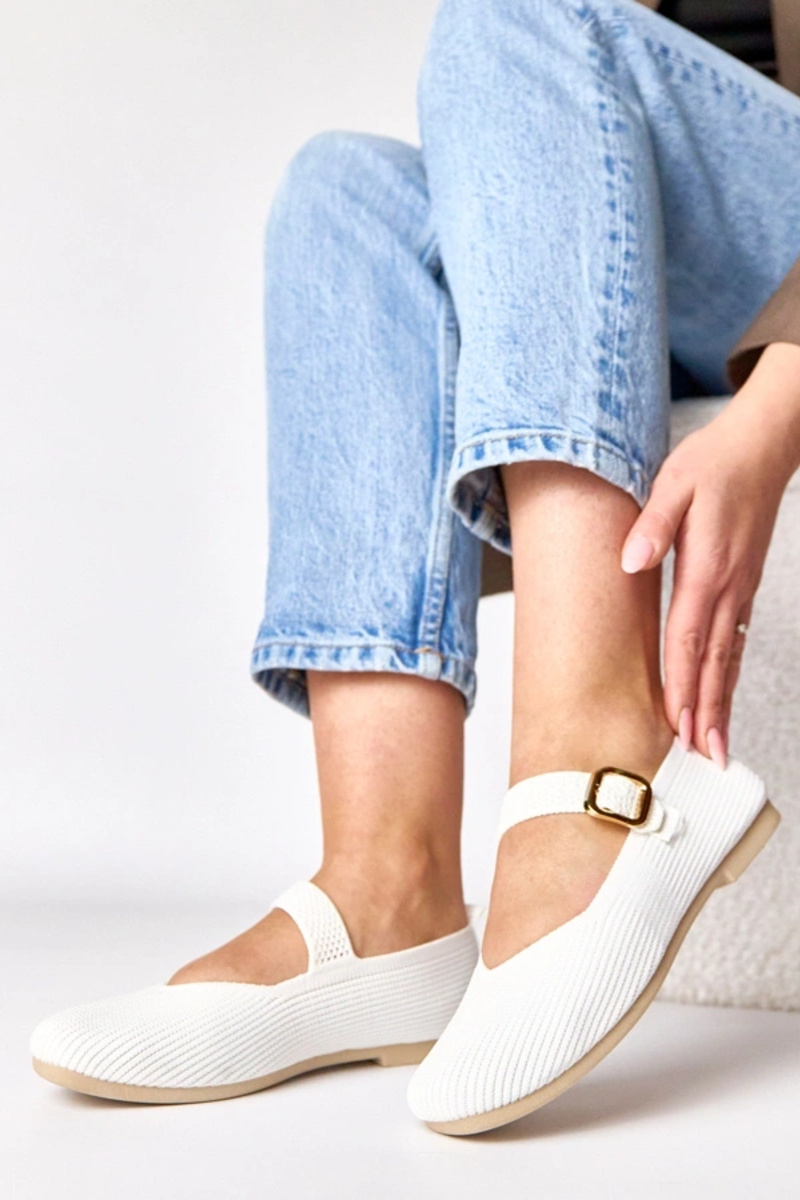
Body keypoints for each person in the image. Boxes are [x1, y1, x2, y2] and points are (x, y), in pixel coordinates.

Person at [30, 0, 800, 1135]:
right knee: (346, 194)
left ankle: (597, 749)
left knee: (513, 13)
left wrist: (779, 402)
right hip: (696, 253)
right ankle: (385, 895)